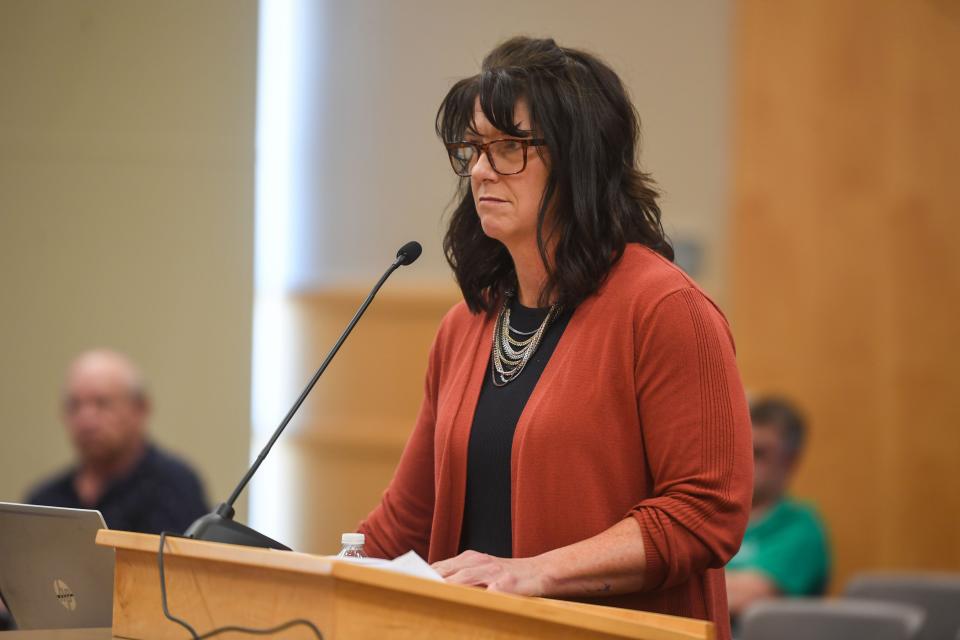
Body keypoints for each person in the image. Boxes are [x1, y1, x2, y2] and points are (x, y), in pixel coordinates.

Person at [358, 37, 753, 639]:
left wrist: (535, 573)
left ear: (578, 160)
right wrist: (311, 578)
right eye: (475, 149)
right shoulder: (466, 327)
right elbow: (405, 525)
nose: (483, 169)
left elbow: (705, 512)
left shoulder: (666, 310)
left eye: (509, 147)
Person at [25, 349, 209, 535]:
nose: (87, 420)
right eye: (75, 405)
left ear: (140, 409)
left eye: (102, 403)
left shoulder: (175, 488)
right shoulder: (45, 501)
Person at [725, 397, 831, 617]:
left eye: (760, 453)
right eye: (742, 449)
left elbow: (750, 597)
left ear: (789, 460)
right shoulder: (718, 518)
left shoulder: (801, 528)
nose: (746, 461)